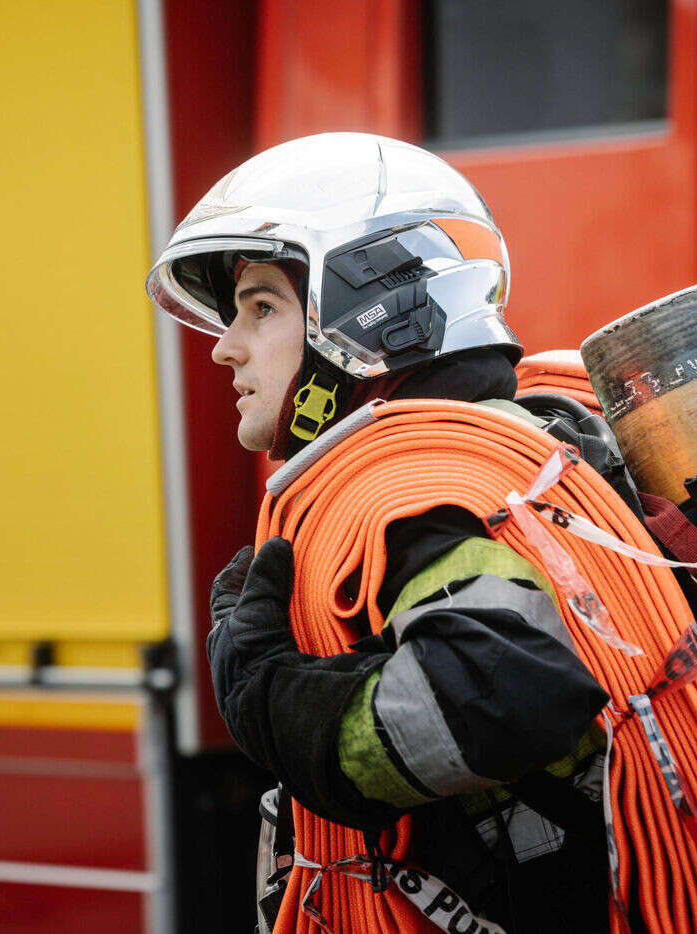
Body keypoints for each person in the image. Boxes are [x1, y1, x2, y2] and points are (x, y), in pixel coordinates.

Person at [147, 133, 614, 932]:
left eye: (262, 307)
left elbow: (502, 695)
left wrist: (278, 704)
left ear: (365, 315)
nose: (226, 348)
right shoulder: (507, 450)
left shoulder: (423, 493)